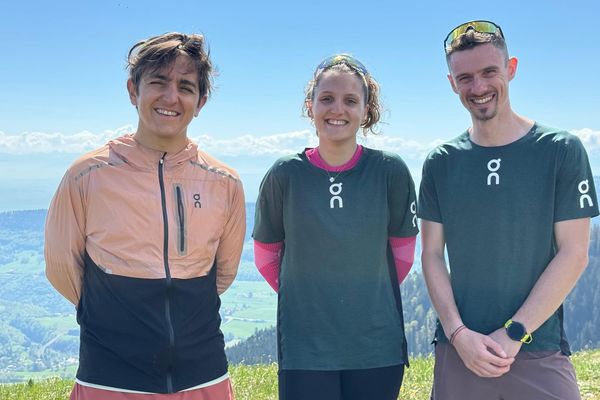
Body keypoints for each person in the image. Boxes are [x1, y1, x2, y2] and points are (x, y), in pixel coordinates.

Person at [44, 32, 245, 400]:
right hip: (110, 376)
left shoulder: (224, 182)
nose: (171, 97)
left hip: (203, 374)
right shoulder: (86, 175)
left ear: (200, 102)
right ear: (133, 91)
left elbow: (224, 272)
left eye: (185, 86)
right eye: (158, 82)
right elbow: (61, 269)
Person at [418, 20, 599, 399]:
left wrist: (515, 331)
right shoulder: (441, 161)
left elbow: (574, 253)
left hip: (538, 348)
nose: (478, 87)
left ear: (511, 69)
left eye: (489, 72)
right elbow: (432, 255)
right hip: (459, 351)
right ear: (452, 83)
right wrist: (458, 333)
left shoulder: (561, 150)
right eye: (464, 77)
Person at [253, 54, 418, 400]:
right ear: (310, 105)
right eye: (326, 98)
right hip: (304, 347)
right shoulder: (284, 174)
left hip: (376, 346)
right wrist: (310, 300)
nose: (337, 109)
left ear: (365, 108)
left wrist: (358, 299)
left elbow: (401, 257)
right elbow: (266, 256)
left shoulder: (390, 172)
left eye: (350, 100)